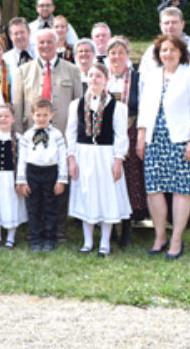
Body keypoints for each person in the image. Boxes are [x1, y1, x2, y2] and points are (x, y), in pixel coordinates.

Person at [136, 34, 190, 260]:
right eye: (164, 50)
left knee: (181, 191)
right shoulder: (153, 76)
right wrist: (141, 137)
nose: (168, 54)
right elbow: (145, 109)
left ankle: (176, 239)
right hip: (155, 141)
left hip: (181, 141)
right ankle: (159, 237)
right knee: (154, 190)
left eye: (172, 50)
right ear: (158, 54)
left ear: (181, 53)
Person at [13, 27, 82, 243]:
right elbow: (17, 106)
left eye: (49, 42)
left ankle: (58, 228)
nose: (45, 46)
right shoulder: (23, 71)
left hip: (60, 137)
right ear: (35, 45)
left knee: (58, 187)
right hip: (32, 140)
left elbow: (79, 104)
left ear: (57, 44)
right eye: (41, 43)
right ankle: (36, 228)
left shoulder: (72, 70)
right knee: (34, 189)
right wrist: (19, 134)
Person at [67, 63, 131, 257]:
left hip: (106, 155)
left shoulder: (117, 106)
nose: (94, 80)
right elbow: (70, 132)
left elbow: (121, 135)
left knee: (106, 195)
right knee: (87, 194)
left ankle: (105, 242)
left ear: (106, 80)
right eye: (91, 76)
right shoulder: (76, 104)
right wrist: (71, 158)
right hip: (83, 154)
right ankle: (87, 241)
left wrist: (118, 160)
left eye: (99, 77)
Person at [106, 36, 147, 247]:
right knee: (110, 178)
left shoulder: (138, 79)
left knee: (129, 180)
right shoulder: (103, 78)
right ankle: (111, 227)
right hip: (107, 136)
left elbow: (144, 109)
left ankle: (127, 229)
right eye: (113, 53)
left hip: (130, 133)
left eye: (120, 53)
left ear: (127, 55)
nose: (116, 57)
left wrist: (140, 135)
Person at [16, 98, 68, 253]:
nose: (42, 118)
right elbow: (22, 159)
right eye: (38, 115)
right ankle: (36, 239)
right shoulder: (27, 135)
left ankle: (50, 239)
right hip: (32, 172)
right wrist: (22, 180)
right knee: (34, 206)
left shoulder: (57, 135)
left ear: (51, 115)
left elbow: (62, 158)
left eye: (45, 115)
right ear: (32, 115)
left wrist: (61, 179)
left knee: (50, 206)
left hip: (50, 172)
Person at [0, 104, 27, 249]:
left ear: (13, 119)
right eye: (0, 116)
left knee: (11, 205)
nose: (3, 119)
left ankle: (10, 237)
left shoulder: (18, 138)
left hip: (11, 177)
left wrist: (20, 180)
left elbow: (22, 160)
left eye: (6, 116)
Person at [138, 7, 190, 75]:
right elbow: (143, 76)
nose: (170, 26)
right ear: (160, 26)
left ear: (183, 24)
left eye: (174, 22)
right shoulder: (151, 50)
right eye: (166, 23)